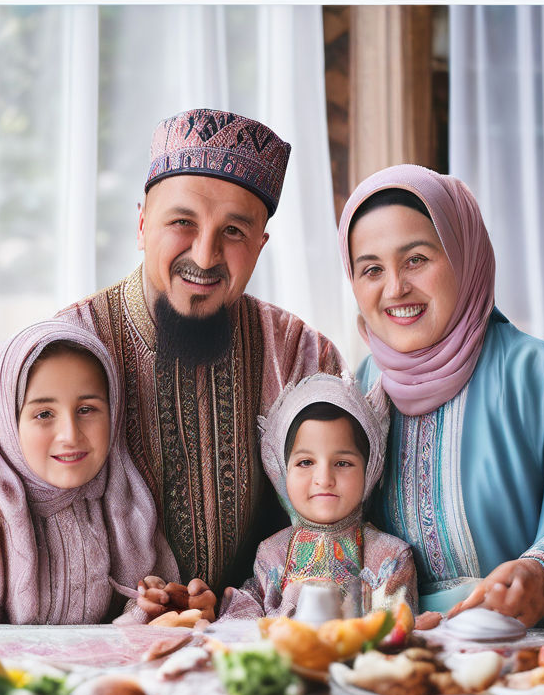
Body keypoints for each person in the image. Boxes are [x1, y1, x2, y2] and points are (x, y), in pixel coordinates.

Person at [57, 108, 344, 621]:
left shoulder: (302, 354)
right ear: (143, 223)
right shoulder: (67, 348)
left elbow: (334, 524)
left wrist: (234, 606)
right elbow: (7, 514)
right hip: (98, 643)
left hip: (260, 639)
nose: (206, 255)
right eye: (182, 222)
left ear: (261, 245)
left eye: (234, 230)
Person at [338, 164, 544, 628]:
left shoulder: (540, 374)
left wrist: (538, 576)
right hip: (407, 652)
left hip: (532, 651)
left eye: (416, 259)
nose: (395, 288)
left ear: (464, 255)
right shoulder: (362, 388)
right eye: (372, 269)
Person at [0, 320, 178, 649]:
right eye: (44, 414)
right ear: (6, 422)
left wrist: (152, 606)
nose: (71, 435)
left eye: (87, 409)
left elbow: (140, 616)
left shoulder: (124, 507)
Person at [218, 373, 418, 620]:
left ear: (370, 469)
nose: (324, 478)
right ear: (282, 471)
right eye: (305, 462)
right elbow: (246, 620)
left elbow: (395, 628)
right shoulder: (271, 554)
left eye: (343, 463)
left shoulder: (390, 557)